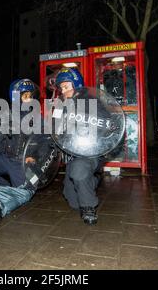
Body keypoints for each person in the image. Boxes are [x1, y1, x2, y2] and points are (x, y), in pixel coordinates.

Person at [55, 67, 102, 225]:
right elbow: (54, 129)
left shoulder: (93, 102)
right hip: (72, 155)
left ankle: (89, 208)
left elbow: (108, 123)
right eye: (61, 88)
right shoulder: (60, 106)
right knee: (73, 201)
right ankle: (92, 181)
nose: (63, 91)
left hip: (91, 154)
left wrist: (108, 128)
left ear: (76, 85)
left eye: (66, 86)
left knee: (79, 170)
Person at [0, 78, 39, 188]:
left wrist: (35, 157)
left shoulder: (37, 119)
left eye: (31, 96)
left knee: (26, 190)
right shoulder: (6, 115)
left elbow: (45, 144)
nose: (30, 100)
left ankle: (20, 189)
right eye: (26, 96)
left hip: (23, 161)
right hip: (5, 157)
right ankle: (5, 189)